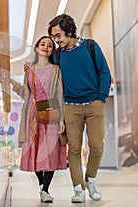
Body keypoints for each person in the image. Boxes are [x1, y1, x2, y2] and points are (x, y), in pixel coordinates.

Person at [47, 13, 111, 203]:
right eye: (53, 37)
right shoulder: (57, 55)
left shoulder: (91, 46)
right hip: (70, 107)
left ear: (69, 31)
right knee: (73, 149)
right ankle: (78, 190)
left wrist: (101, 98)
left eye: (58, 35)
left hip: (94, 105)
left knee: (97, 146)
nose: (55, 40)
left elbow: (104, 72)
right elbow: (51, 79)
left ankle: (90, 179)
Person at [11, 36, 67, 203]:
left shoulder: (56, 69)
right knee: (34, 150)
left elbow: (60, 94)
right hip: (32, 114)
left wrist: (62, 119)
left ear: (52, 50)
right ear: (36, 48)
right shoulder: (29, 69)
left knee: (49, 151)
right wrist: (13, 84)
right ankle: (42, 186)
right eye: (43, 44)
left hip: (51, 114)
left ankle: (45, 189)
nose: (46, 47)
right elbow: (26, 94)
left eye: (49, 45)